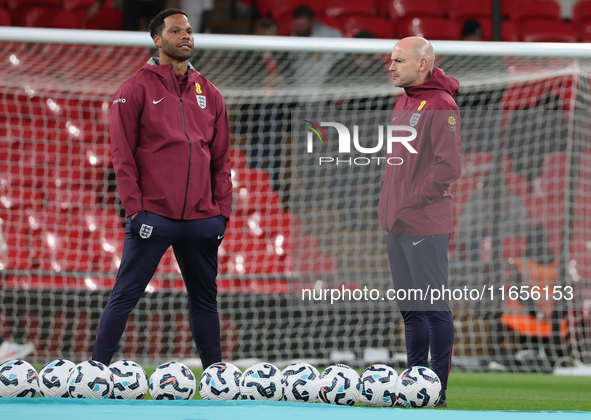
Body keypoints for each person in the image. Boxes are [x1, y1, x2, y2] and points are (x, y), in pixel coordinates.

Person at [92, 9, 232, 368]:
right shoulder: (134, 89)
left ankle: (215, 377)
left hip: (203, 219)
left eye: (188, 31)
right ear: (157, 39)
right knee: (125, 295)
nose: (186, 36)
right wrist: (136, 209)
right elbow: (122, 156)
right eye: (175, 31)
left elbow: (220, 159)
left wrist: (222, 214)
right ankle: (94, 372)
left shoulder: (211, 94)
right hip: (153, 214)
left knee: (205, 301)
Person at [377, 37, 462, 408]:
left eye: (398, 60)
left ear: (422, 64)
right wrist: (389, 206)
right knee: (411, 311)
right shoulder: (402, 102)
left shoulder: (442, 104)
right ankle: (415, 388)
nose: (391, 67)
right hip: (398, 223)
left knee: (433, 308)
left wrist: (412, 201)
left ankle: (437, 393)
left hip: (425, 223)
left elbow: (448, 166)